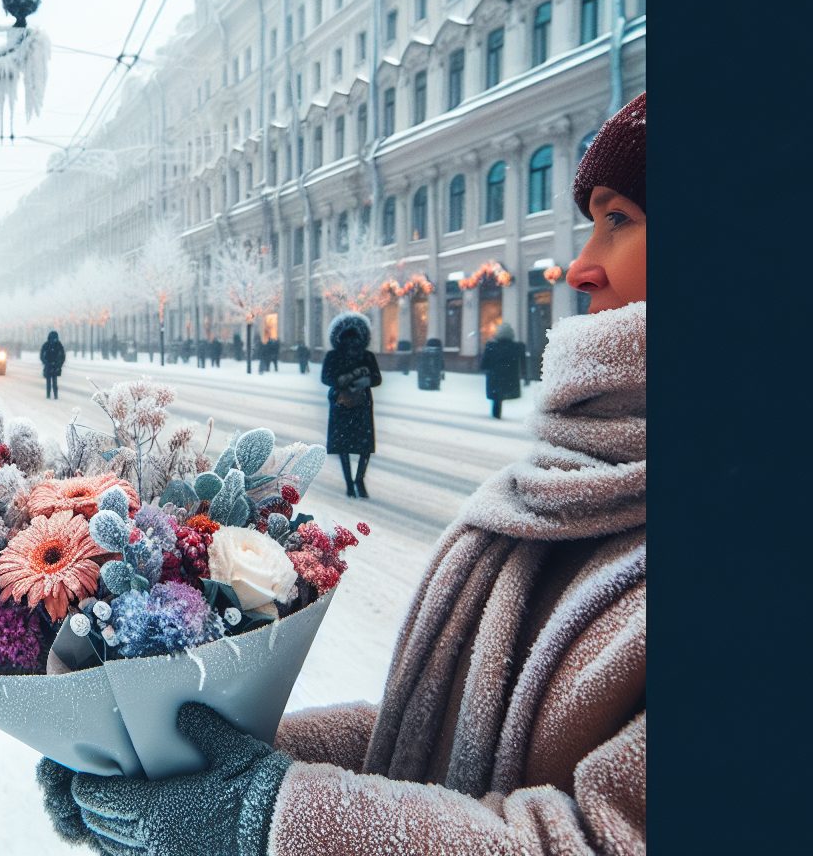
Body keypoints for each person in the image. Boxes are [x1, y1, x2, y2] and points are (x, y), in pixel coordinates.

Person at [38, 91, 647, 856]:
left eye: (619, 218)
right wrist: (177, 765)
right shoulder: (569, 483)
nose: (582, 267)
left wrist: (270, 816)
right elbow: (436, 747)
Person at [321, 312, 381, 498]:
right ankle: (357, 482)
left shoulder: (337, 355)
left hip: (347, 406)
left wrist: (353, 381)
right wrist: (350, 381)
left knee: (346, 447)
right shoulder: (364, 355)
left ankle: (351, 483)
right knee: (362, 447)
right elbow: (376, 379)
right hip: (354, 404)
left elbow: (326, 378)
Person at [482, 323, 529, 419]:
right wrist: (524, 374)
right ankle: (497, 412)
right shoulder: (516, 347)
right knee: (501, 393)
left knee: (497, 396)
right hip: (509, 377)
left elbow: (485, 363)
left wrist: (485, 369)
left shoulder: (491, 347)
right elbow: (523, 363)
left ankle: (496, 413)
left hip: (495, 376)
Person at [40, 330, 66, 400]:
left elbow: (42, 355)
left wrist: (45, 362)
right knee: (54, 381)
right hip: (55, 366)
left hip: (49, 365)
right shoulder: (58, 345)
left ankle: (48, 395)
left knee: (49, 382)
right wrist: (59, 364)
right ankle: (55, 395)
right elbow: (63, 356)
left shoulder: (46, 344)